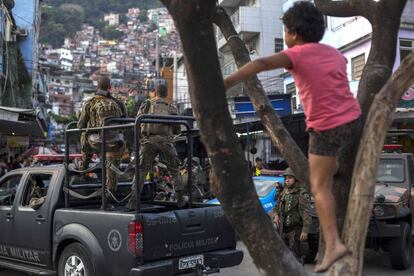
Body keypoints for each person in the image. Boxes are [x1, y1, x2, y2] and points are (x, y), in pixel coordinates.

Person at [224, 1, 360, 272]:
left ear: (294, 33)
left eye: (284, 30)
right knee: (331, 172)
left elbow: (262, 63)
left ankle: (333, 244)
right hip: (354, 120)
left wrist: (226, 82)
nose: (284, 36)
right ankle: (335, 174)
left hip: (325, 128)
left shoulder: (296, 53)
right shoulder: (334, 54)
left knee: (319, 187)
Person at [126, 83, 183, 210]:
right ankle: (180, 200)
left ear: (155, 93)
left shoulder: (146, 104)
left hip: (148, 141)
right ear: (166, 94)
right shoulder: (171, 107)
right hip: (166, 142)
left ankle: (133, 201)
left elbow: (138, 122)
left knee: (141, 171)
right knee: (174, 170)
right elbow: (177, 128)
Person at [77, 76, 126, 207]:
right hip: (115, 143)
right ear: (110, 88)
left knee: (84, 134)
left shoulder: (89, 102)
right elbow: (125, 121)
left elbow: (80, 125)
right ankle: (107, 201)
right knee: (112, 172)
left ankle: (84, 166)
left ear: (97, 87)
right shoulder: (118, 103)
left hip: (96, 141)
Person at [273, 168, 311, 263]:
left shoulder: (301, 193)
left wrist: (305, 231)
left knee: (295, 257)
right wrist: (276, 215)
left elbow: (306, 213)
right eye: (286, 178)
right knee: (284, 257)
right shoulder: (284, 192)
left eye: (290, 178)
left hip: (295, 229)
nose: (287, 180)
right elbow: (277, 206)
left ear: (296, 179)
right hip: (283, 229)